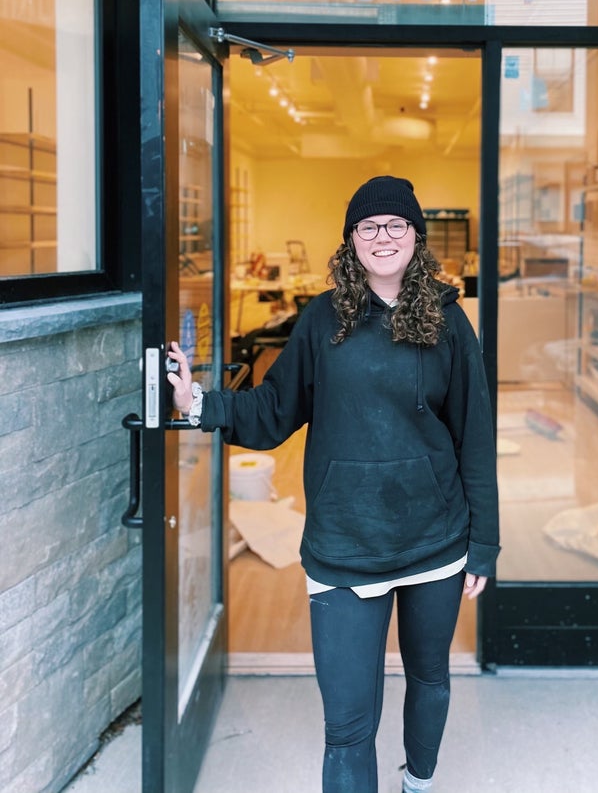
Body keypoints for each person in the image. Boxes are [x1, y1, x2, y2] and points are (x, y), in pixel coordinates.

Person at [168, 175, 500, 793]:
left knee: (430, 679)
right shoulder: (323, 319)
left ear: (416, 236)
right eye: (368, 226)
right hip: (344, 541)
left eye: (396, 224)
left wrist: (484, 544)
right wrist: (199, 403)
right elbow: (274, 408)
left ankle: (418, 782)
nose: (382, 236)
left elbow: (474, 437)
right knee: (346, 727)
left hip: (435, 538)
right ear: (351, 240)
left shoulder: (450, 321)